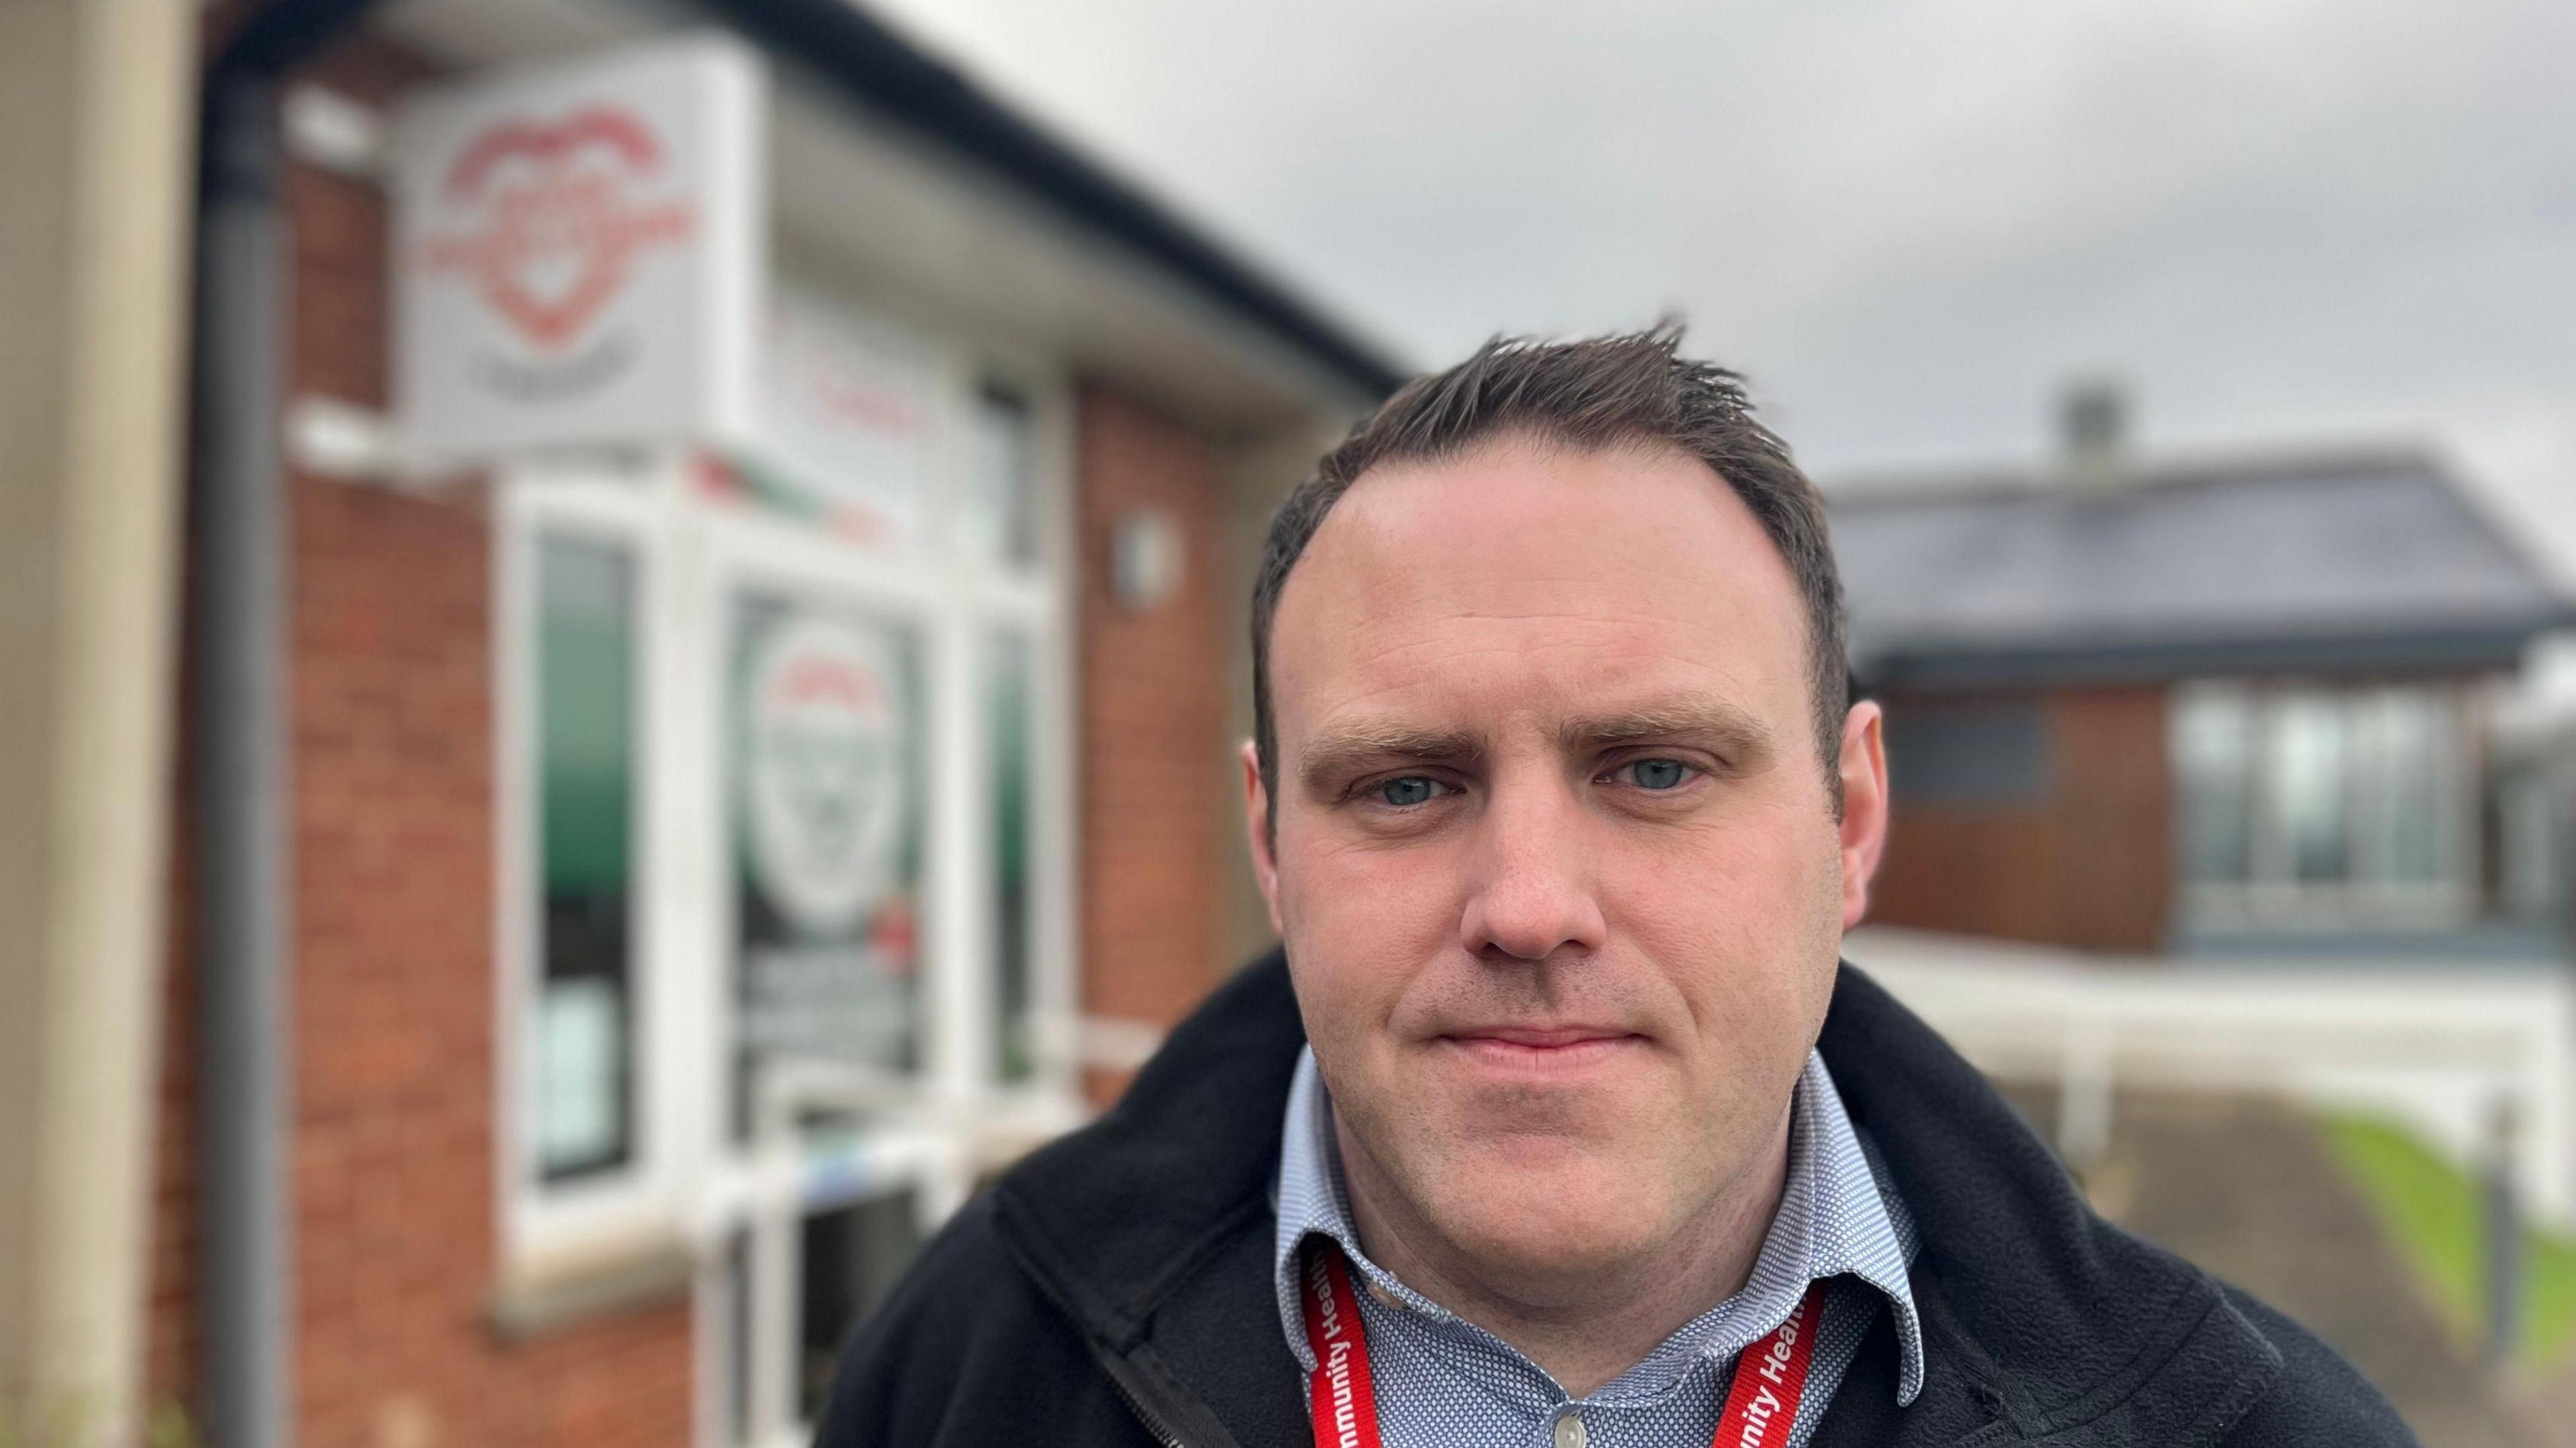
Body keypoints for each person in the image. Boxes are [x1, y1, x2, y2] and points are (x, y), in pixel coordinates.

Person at [814, 329, 2416, 1447]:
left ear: (1851, 821)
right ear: (1270, 850)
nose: (1527, 904)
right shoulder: (969, 1367)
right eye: (1405, 785)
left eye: (1653, 770)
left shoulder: (2257, 1431)